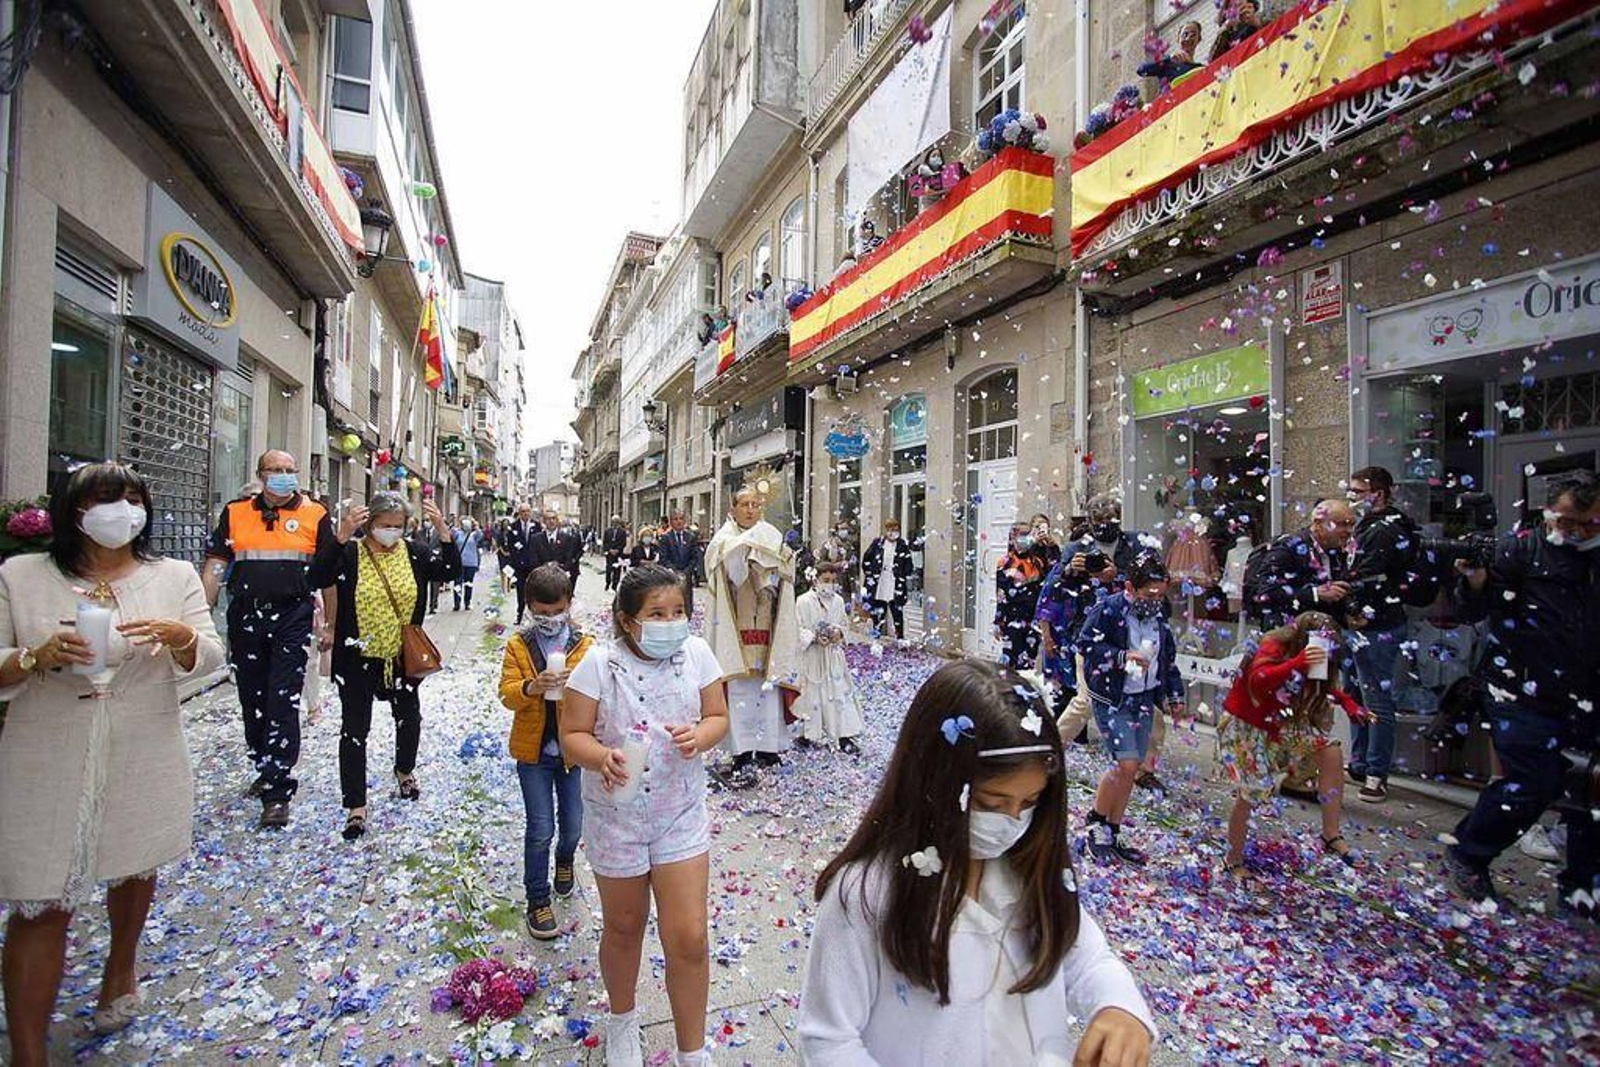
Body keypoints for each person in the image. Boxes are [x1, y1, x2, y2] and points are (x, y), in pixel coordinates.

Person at [798, 660, 1156, 1064]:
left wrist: (1118, 1006)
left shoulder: (1028, 871)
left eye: (1030, 803)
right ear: (933, 781)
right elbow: (828, 1039)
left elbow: (1082, 952)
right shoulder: (865, 895)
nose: (1012, 822)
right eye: (991, 803)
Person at [0, 463, 225, 1064]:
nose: (121, 511)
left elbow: (207, 653)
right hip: (45, 751)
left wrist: (180, 637)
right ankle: (28, 1052)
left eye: (132, 499)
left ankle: (120, 967)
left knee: (134, 863)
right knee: (40, 900)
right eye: (106, 500)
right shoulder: (22, 576)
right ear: (72, 510)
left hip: (141, 743)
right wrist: (33, 657)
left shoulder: (171, 575)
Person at [560, 564, 730, 1067]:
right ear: (626, 619)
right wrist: (600, 757)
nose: (671, 622)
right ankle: (622, 1020)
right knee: (624, 926)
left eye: (678, 612)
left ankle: (692, 1052)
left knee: (690, 937)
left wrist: (700, 736)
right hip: (618, 818)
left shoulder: (696, 654)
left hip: (679, 814)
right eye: (657, 613)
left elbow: (719, 717)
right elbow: (572, 733)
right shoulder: (597, 663)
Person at [1443, 470, 1600, 917]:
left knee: (1589, 792)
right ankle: (1470, 852)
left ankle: (1583, 891)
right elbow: (1471, 609)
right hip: (1519, 687)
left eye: (1590, 524)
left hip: (1587, 691)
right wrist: (1473, 581)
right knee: (1534, 780)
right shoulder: (1521, 549)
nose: (1577, 532)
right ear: (1550, 512)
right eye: (1568, 521)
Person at [202, 450, 347, 828]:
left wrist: (330, 623)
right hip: (246, 616)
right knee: (252, 696)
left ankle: (278, 788)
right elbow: (217, 562)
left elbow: (328, 574)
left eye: (289, 470)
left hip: (292, 616)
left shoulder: (314, 515)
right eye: (276, 470)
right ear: (260, 475)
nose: (284, 476)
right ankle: (263, 762)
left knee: (283, 696)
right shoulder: (236, 512)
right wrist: (201, 609)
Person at [327, 492, 459, 840]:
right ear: (370, 524)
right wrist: (340, 535)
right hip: (358, 656)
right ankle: (356, 804)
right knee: (355, 728)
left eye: (397, 526)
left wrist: (443, 530)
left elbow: (450, 571)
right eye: (384, 526)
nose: (391, 532)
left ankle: (404, 771)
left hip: (402, 655)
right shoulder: (352, 553)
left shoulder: (413, 552)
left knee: (409, 716)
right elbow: (316, 575)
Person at [1219, 612, 1369, 874]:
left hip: (1280, 722)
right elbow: (1259, 679)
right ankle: (1232, 859)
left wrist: (1348, 702)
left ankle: (1330, 835)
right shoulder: (1273, 645)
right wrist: (1298, 661)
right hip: (1247, 724)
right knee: (1250, 792)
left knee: (1330, 751)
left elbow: (1318, 683)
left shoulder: (1314, 653)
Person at [499, 564, 595, 939]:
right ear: (529, 608)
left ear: (569, 605)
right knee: (540, 828)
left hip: (573, 752)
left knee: (573, 825)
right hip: (534, 753)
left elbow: (599, 692)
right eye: (542, 613)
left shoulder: (583, 644)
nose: (551, 619)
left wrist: (579, 689)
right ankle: (537, 899)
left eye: (557, 612)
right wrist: (531, 687)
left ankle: (566, 859)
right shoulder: (519, 645)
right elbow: (507, 693)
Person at [1077, 556, 1185, 866]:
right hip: (1113, 697)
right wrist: (1123, 656)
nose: (1155, 601)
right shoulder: (1108, 609)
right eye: (1149, 594)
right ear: (1129, 587)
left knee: (1132, 766)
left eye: (1160, 595)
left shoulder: (1159, 616)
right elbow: (1085, 645)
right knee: (1123, 764)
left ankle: (1113, 828)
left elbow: (1167, 658)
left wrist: (1173, 694)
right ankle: (1096, 823)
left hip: (1143, 697)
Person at [1040, 493, 1160, 757]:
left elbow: (1155, 581)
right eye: (1098, 519)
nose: (1105, 523)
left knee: (1146, 700)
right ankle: (1051, 750)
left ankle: (1144, 766)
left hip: (1133, 632)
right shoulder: (1075, 548)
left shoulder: (1137, 543)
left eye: (1110, 518)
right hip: (1091, 633)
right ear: (1090, 521)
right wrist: (1070, 570)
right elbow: (1055, 592)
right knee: (1085, 700)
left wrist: (1116, 575)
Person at [704, 488, 801, 788]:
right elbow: (726, 573)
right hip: (738, 630)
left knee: (768, 691)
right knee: (742, 693)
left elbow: (787, 571)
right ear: (732, 509)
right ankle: (742, 752)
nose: (750, 509)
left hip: (768, 627)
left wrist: (775, 563)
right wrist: (746, 552)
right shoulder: (722, 539)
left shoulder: (771, 535)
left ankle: (769, 748)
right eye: (744, 504)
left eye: (755, 505)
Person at [1343, 467, 1422, 803]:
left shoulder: (1387, 528)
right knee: (1354, 694)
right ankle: (1360, 761)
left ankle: (1376, 773)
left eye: (1358, 491)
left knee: (1375, 699)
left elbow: (1368, 575)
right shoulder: (1367, 525)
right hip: (1358, 623)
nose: (1353, 497)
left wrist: (1355, 606)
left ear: (1378, 492)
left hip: (1377, 626)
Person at [1245, 499, 1357, 629]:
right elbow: (1266, 592)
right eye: (1342, 524)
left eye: (1352, 525)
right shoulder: (1289, 547)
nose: (1349, 531)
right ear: (1318, 524)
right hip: (1289, 635)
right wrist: (1315, 593)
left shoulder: (1336, 551)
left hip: (1324, 634)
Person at [794, 562, 865, 754]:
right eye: (826, 580)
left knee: (839, 693)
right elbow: (796, 628)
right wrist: (814, 637)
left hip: (833, 656)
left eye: (833, 581)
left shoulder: (839, 601)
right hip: (813, 656)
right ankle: (808, 734)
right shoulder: (803, 601)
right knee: (811, 693)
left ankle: (843, 735)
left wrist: (838, 633)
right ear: (815, 580)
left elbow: (844, 623)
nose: (830, 585)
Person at [994, 521, 1048, 670]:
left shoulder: (1037, 562)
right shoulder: (1005, 562)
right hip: (1012, 618)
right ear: (1013, 537)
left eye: (1028, 534)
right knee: (1011, 662)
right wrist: (998, 621)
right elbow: (1003, 594)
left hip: (1033, 619)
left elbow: (1045, 588)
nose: (1026, 538)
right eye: (1022, 535)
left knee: (1029, 661)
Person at [861, 519, 913, 642]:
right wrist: (870, 574)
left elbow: (908, 563)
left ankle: (900, 638)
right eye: (889, 530)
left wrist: (903, 574)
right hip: (880, 580)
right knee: (878, 610)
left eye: (895, 530)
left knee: (897, 611)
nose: (892, 533)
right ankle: (876, 637)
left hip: (895, 581)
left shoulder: (902, 545)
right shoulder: (878, 543)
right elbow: (867, 558)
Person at [1137, 19, 1204, 91]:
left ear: (1199, 39)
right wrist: (1168, 59)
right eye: (1185, 34)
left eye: (1193, 35)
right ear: (1178, 38)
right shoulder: (1168, 63)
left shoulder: (1201, 69)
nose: (1188, 39)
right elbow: (1142, 70)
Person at [531, 508, 583, 593]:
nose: (551, 521)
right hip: (542, 581)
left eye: (553, 518)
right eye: (548, 519)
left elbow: (569, 559)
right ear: (543, 521)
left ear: (557, 520)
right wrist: (545, 567)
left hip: (560, 581)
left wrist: (559, 566)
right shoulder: (536, 539)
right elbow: (533, 559)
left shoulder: (567, 538)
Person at [503, 504, 539, 625]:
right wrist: (514, 562)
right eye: (523, 511)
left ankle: (534, 615)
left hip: (533, 565)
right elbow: (511, 547)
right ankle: (520, 614)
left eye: (527, 511)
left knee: (534, 591)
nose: (525, 514)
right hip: (519, 565)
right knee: (520, 590)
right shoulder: (513, 527)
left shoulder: (536, 525)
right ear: (519, 513)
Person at [815, 523, 856, 599]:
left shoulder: (848, 546)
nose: (845, 531)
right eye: (842, 529)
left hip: (845, 583)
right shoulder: (828, 545)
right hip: (830, 581)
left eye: (846, 529)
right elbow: (819, 563)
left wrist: (854, 588)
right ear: (837, 531)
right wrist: (834, 565)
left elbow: (852, 564)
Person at [453, 515, 484, 611]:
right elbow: (451, 537)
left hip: (471, 563)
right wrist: (456, 524)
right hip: (459, 563)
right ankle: (457, 603)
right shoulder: (458, 533)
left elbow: (480, 535)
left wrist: (476, 525)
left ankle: (467, 602)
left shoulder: (473, 535)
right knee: (458, 584)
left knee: (468, 583)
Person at [659, 511, 696, 576]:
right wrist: (675, 572)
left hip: (686, 577)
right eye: (675, 519)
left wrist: (685, 572)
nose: (679, 521)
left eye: (681, 518)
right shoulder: (665, 538)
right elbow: (663, 558)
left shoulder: (691, 537)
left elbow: (694, 558)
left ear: (684, 521)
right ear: (671, 522)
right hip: (671, 576)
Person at [603, 515, 629, 592]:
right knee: (608, 570)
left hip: (618, 554)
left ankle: (615, 585)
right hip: (609, 554)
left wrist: (617, 550)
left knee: (617, 571)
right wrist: (610, 550)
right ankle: (608, 583)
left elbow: (623, 543)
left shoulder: (622, 532)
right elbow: (605, 542)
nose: (614, 523)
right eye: (613, 521)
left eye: (616, 521)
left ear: (618, 522)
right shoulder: (607, 531)